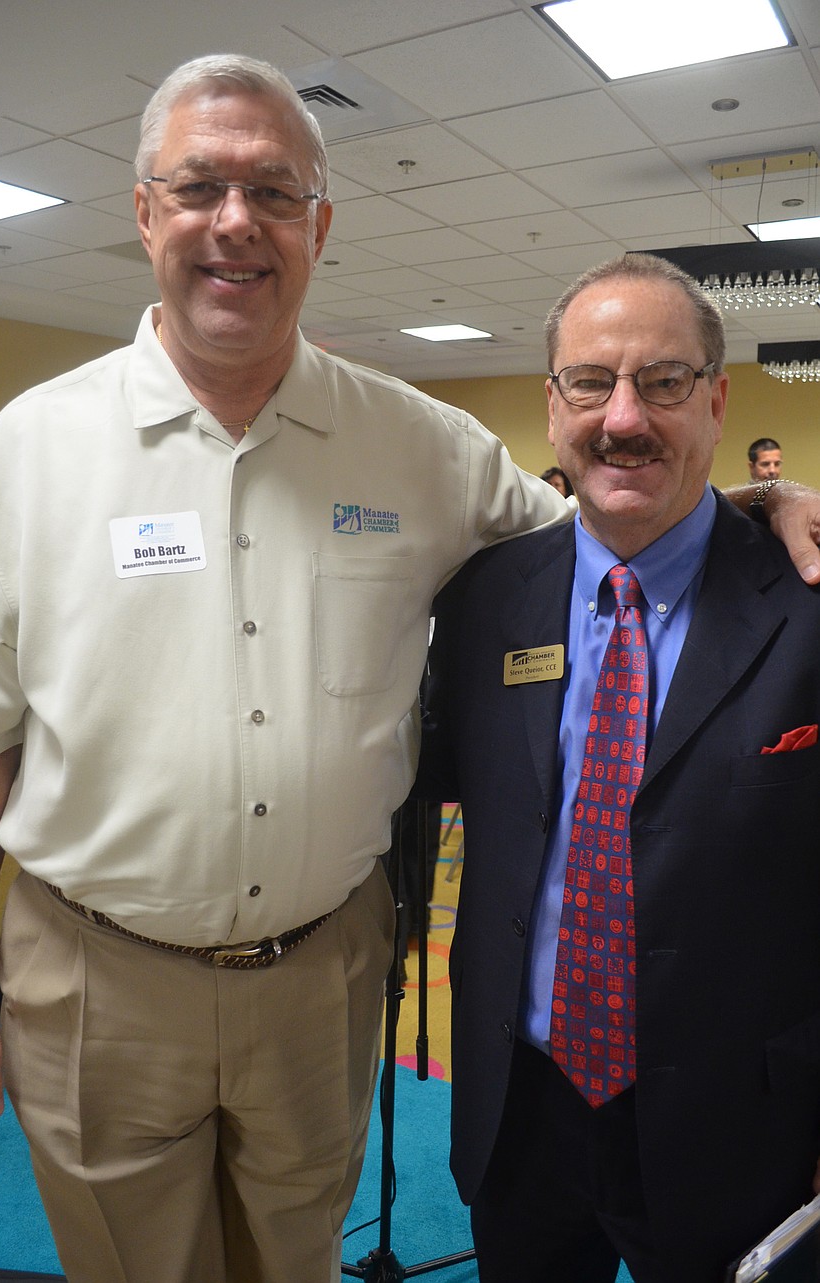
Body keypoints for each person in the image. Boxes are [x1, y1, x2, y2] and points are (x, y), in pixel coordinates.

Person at [0, 56, 818, 1283]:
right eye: (199, 185)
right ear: (145, 210)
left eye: (273, 191)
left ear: (319, 224)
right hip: (98, 975)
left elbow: (608, 517)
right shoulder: (20, 456)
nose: (234, 222)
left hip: (325, 976)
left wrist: (760, 504)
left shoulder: (422, 447)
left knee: (295, 1257)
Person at [417, 253, 820, 1283]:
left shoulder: (808, 596)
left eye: (665, 381)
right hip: (524, 1106)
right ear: (552, 407)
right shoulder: (482, 600)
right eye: (590, 381)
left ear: (718, 400)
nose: (624, 416)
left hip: (745, 1120)